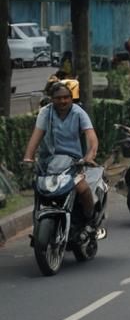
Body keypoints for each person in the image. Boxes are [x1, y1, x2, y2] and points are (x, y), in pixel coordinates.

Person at [21, 82, 99, 220]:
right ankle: (37, 224)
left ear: (71, 98)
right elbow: (36, 137)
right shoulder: (45, 113)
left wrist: (89, 156)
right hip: (47, 164)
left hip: (73, 163)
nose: (63, 101)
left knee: (83, 189)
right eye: (58, 98)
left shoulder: (78, 112)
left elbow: (92, 138)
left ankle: (89, 221)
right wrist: (28, 159)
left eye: (66, 97)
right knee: (39, 190)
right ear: (52, 99)